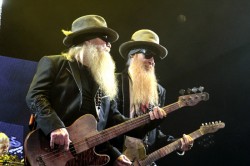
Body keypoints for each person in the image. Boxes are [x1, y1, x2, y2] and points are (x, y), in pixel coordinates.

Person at [25, 15, 166, 166]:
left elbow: (112, 124)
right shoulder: (54, 63)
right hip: (49, 152)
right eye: (105, 38)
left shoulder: (103, 81)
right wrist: (55, 126)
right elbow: (35, 96)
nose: (109, 45)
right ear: (88, 40)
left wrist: (151, 121)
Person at [115, 29, 194, 165]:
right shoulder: (114, 82)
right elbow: (106, 122)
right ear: (132, 55)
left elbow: (154, 134)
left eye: (155, 57)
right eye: (148, 54)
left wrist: (177, 143)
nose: (152, 61)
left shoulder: (159, 91)